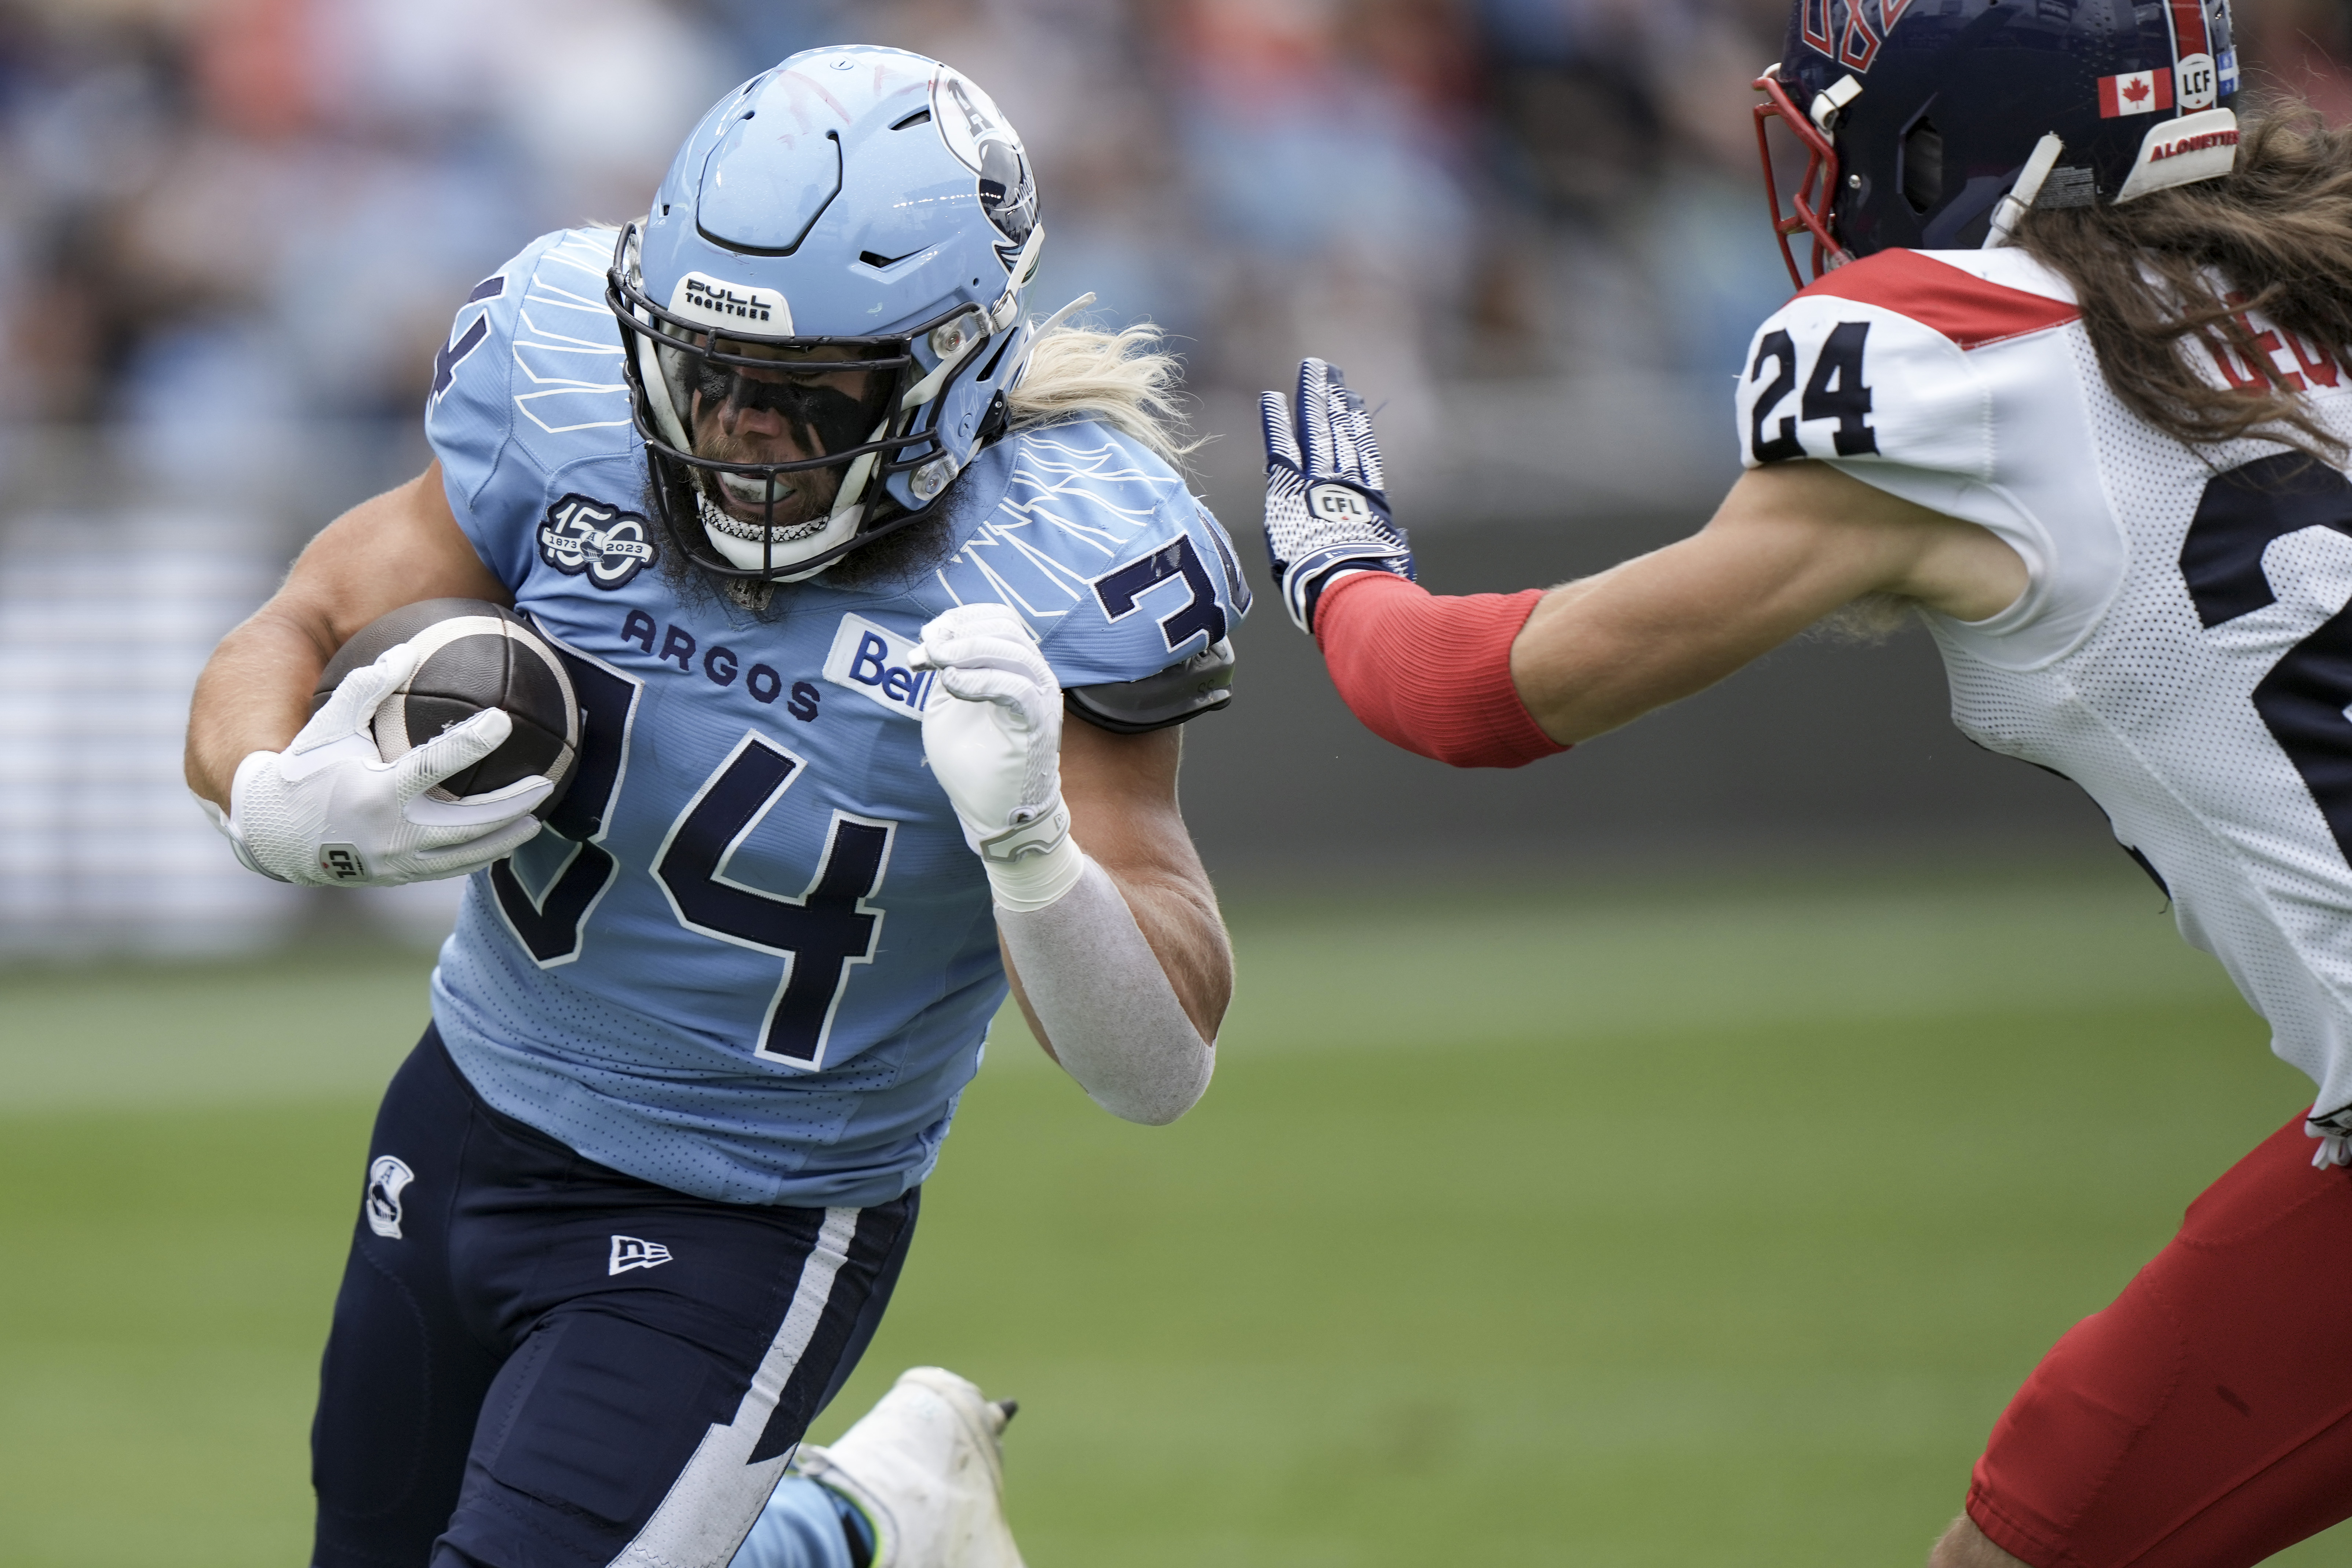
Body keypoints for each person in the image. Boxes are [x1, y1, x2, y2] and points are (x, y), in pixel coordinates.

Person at [1261, 3, 2352, 1565]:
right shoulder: (2302, 291)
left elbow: (1474, 696)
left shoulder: (1957, 368)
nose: (1827, 168)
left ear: (1961, 138)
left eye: (1858, 127)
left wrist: (1338, 568)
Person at [184, 45, 1247, 1568]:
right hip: (465, 1103)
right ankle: (863, 1520)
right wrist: (267, 793)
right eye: (708, 368)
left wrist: (1032, 845)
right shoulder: (564, 392)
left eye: (805, 391)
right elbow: (293, 620)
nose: (736, 425)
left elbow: (1161, 1069)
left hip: (754, 1209)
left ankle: (843, 1519)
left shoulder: (1068, 564)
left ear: (948, 369)